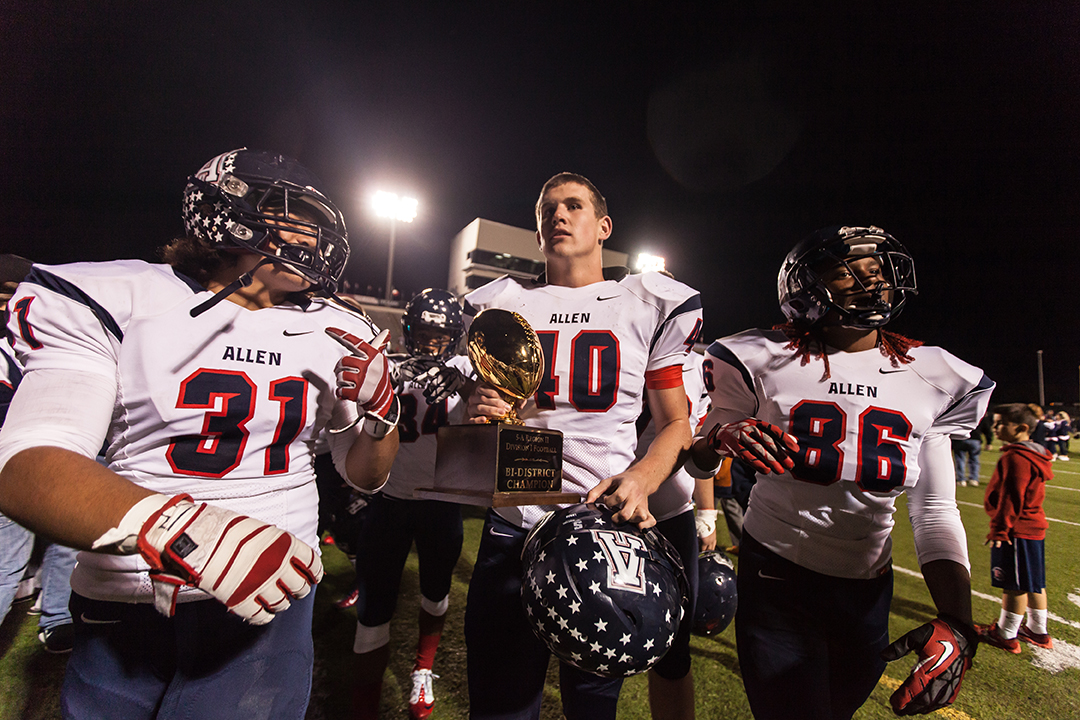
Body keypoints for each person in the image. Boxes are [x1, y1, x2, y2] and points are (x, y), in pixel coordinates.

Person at [0, 148, 399, 718]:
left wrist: (382, 418)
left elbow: (364, 476)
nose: (307, 238)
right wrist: (185, 531)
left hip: (274, 586)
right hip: (129, 588)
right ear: (222, 210)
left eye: (314, 225)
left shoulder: (337, 326)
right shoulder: (120, 295)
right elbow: (26, 464)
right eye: (289, 216)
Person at [687, 225, 994, 719]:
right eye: (848, 271)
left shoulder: (932, 375)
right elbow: (698, 458)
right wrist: (722, 437)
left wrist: (958, 621)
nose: (871, 280)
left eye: (877, 269)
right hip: (777, 577)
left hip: (867, 590)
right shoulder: (759, 357)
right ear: (805, 290)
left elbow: (935, 510)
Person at [462, 172, 702, 720]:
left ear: (604, 226)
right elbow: (469, 424)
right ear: (537, 231)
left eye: (573, 205)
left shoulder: (646, 302)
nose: (559, 215)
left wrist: (642, 478)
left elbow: (676, 423)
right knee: (499, 705)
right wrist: (477, 407)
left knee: (592, 707)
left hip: (604, 525)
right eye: (547, 209)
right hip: (516, 521)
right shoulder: (498, 303)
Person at [351, 288, 472, 720]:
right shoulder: (387, 366)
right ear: (408, 332)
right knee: (373, 607)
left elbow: (500, 401)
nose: (431, 344)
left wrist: (468, 385)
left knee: (436, 594)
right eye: (423, 334)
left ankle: (423, 668)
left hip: (442, 502)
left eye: (440, 337)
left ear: (455, 338)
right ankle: (364, 704)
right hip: (390, 499)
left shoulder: (466, 370)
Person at [637, 349, 713, 720]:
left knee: (674, 649)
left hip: (671, 515)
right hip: (608, 510)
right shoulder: (625, 346)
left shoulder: (701, 367)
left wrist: (708, 512)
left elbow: (699, 448)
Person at [975, 403, 1054, 652]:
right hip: (1032, 527)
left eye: (1001, 423)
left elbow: (1011, 497)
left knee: (1014, 583)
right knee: (1033, 582)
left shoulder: (1016, 457)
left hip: (1017, 529)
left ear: (1021, 428)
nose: (994, 427)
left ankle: (1005, 634)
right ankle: (1038, 630)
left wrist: (1000, 529)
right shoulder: (1034, 453)